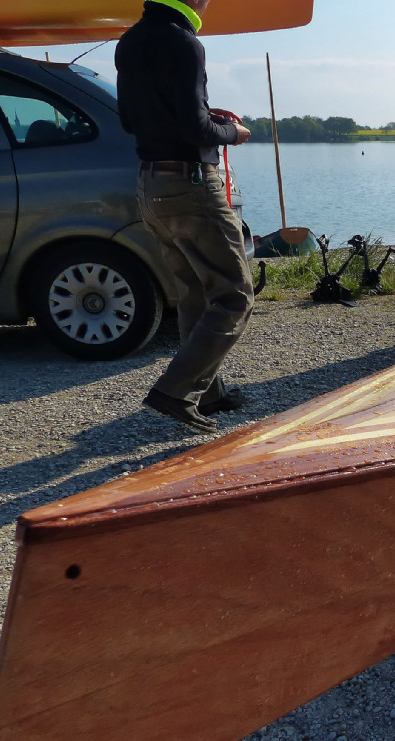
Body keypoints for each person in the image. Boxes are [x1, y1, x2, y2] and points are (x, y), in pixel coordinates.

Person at [115, 0, 254, 434]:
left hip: (149, 184)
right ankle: (175, 391)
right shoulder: (185, 43)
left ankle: (208, 394)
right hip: (190, 183)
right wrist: (233, 132)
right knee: (234, 295)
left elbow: (129, 119)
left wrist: (198, 118)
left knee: (195, 289)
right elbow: (195, 131)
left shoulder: (130, 40)